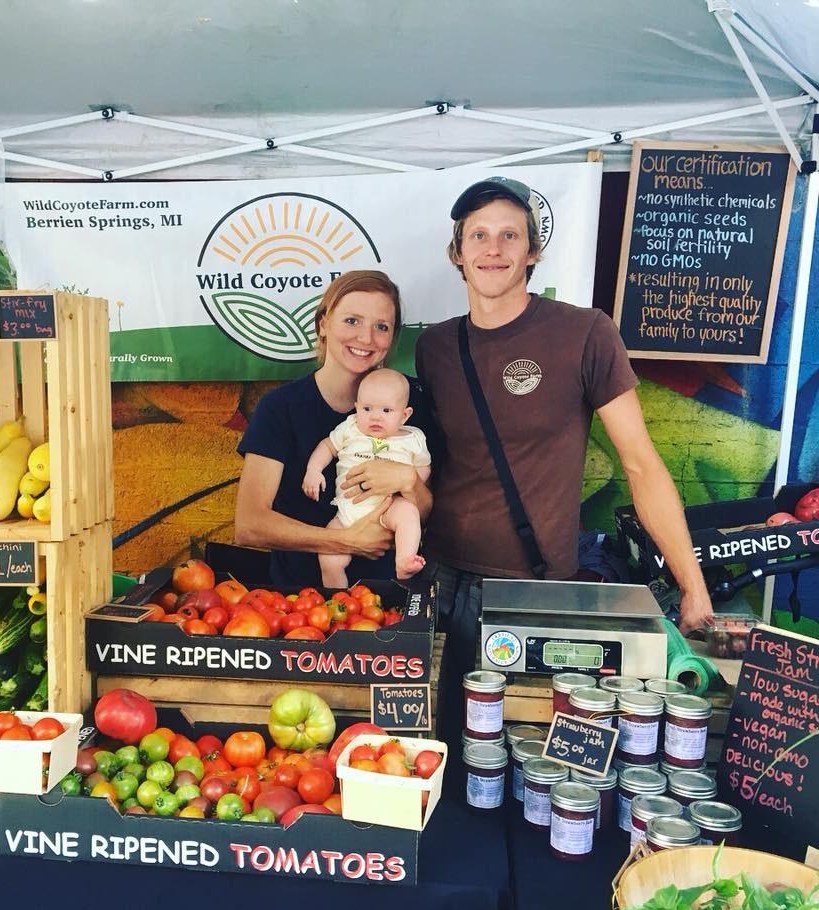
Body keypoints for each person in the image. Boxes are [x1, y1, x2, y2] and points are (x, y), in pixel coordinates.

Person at [415, 175, 714, 745]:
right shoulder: (435, 347)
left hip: (534, 590)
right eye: (477, 235)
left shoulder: (583, 333)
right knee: (442, 753)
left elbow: (642, 465)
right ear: (459, 254)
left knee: (527, 756)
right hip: (439, 579)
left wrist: (693, 589)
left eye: (509, 235)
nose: (493, 248)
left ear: (533, 251)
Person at [235, 270, 433, 588]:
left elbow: (426, 512)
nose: (366, 338)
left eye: (381, 326)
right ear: (323, 324)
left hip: (391, 600)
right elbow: (250, 525)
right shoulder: (280, 407)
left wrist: (409, 481)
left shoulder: (413, 402)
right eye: (352, 321)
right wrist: (347, 541)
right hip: (300, 604)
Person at [303, 367, 432, 586]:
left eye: (386, 410)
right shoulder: (350, 428)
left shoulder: (413, 438)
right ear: (356, 408)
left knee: (408, 514)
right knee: (329, 558)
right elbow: (327, 446)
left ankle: (404, 561)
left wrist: (410, 482)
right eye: (367, 408)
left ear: (405, 415)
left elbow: (424, 467)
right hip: (346, 512)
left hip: (389, 506)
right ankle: (337, 595)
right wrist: (313, 471)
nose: (375, 417)